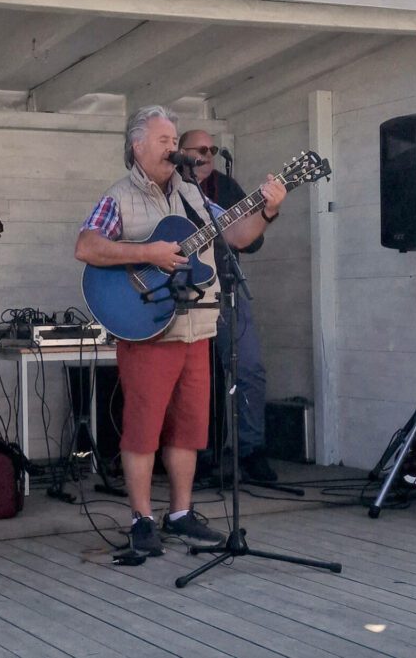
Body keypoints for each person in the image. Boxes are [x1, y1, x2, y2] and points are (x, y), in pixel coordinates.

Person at [74, 106, 286, 556]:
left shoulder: (192, 195)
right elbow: (86, 246)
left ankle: (180, 514)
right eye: (165, 141)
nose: (173, 148)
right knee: (142, 430)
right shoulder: (118, 196)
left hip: (196, 327)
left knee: (189, 429)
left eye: (175, 141)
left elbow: (238, 236)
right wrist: (148, 251)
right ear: (138, 147)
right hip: (146, 326)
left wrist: (267, 209)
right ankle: (141, 519)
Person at [178, 129, 278, 483]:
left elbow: (252, 245)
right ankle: (200, 457)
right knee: (196, 380)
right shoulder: (169, 187)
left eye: (213, 149)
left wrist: (267, 209)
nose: (208, 155)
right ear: (181, 152)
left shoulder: (228, 190)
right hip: (181, 299)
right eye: (200, 149)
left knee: (249, 368)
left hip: (226, 292)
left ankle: (251, 451)